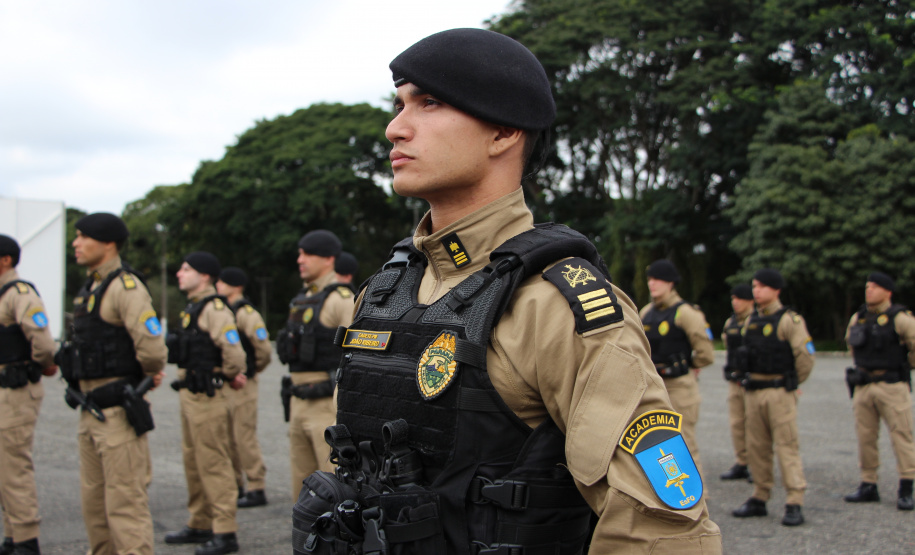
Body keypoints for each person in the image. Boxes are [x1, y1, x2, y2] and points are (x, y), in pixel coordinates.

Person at [291, 28, 721, 554]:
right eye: (399, 104)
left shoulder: (557, 305)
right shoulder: (386, 290)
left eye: (428, 103)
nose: (394, 128)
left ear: (502, 134)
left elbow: (659, 526)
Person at [55, 214, 167, 555]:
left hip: (117, 410)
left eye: (82, 236)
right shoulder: (90, 287)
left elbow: (152, 348)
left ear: (108, 243)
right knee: (94, 505)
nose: (75, 243)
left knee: (124, 504)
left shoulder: (125, 287)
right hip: (89, 410)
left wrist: (149, 370)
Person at [164, 252, 246, 555]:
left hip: (208, 396)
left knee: (214, 463)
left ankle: (225, 531)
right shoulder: (193, 307)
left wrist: (227, 375)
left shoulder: (214, 308)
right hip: (191, 395)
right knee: (193, 462)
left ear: (205, 276)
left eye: (186, 269)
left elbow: (235, 355)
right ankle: (199, 522)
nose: (179, 274)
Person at [732, 268, 814, 526]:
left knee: (786, 446)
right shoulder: (751, 320)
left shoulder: (790, 320)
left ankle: (794, 499)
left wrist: (792, 382)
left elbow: (805, 356)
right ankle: (760, 494)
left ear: (776, 290)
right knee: (757, 447)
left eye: (762, 286)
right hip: (754, 390)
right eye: (754, 286)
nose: (756, 291)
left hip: (779, 391)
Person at [276, 230, 354, 499]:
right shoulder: (301, 299)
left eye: (307, 253)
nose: (300, 259)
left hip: (325, 402)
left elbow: (359, 351)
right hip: (298, 401)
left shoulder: (340, 299)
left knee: (330, 485)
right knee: (301, 485)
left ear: (328, 258)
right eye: (299, 253)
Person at [0, 235, 57, 555]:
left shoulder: (19, 293)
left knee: (13, 465)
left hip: (16, 389)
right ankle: (12, 534)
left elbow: (44, 342)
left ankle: (25, 539)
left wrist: (44, 364)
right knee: (3, 467)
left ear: (6, 260)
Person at [843, 272, 915, 510]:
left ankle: (906, 486)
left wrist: (905, 365)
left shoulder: (900, 317)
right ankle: (868, 483)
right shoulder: (859, 317)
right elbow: (850, 344)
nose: (869, 290)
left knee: (901, 435)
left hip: (891, 385)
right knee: (866, 437)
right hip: (864, 385)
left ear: (888, 291)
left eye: (874, 287)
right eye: (867, 286)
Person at [640, 259, 715, 470]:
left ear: (671, 282)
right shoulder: (646, 313)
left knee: (685, 444)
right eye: (650, 279)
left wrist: (687, 364)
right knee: (656, 445)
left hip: (680, 387)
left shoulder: (687, 313)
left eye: (658, 279)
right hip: (655, 386)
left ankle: (698, 499)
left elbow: (706, 353)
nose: (652, 284)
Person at [215, 267, 272, 509]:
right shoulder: (222, 311)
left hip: (244, 384)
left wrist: (250, 372)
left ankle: (256, 485)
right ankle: (236, 483)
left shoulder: (246, 313)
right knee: (227, 437)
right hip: (226, 383)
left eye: (223, 282)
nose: (218, 285)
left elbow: (264, 350)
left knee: (243, 436)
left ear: (235, 286)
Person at [720, 283, 754, 481]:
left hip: (752, 381)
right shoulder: (730, 323)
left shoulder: (756, 321)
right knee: (737, 424)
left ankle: (756, 465)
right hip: (735, 379)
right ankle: (742, 462)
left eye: (739, 298)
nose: (735, 303)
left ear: (750, 301)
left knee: (754, 427)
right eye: (733, 299)